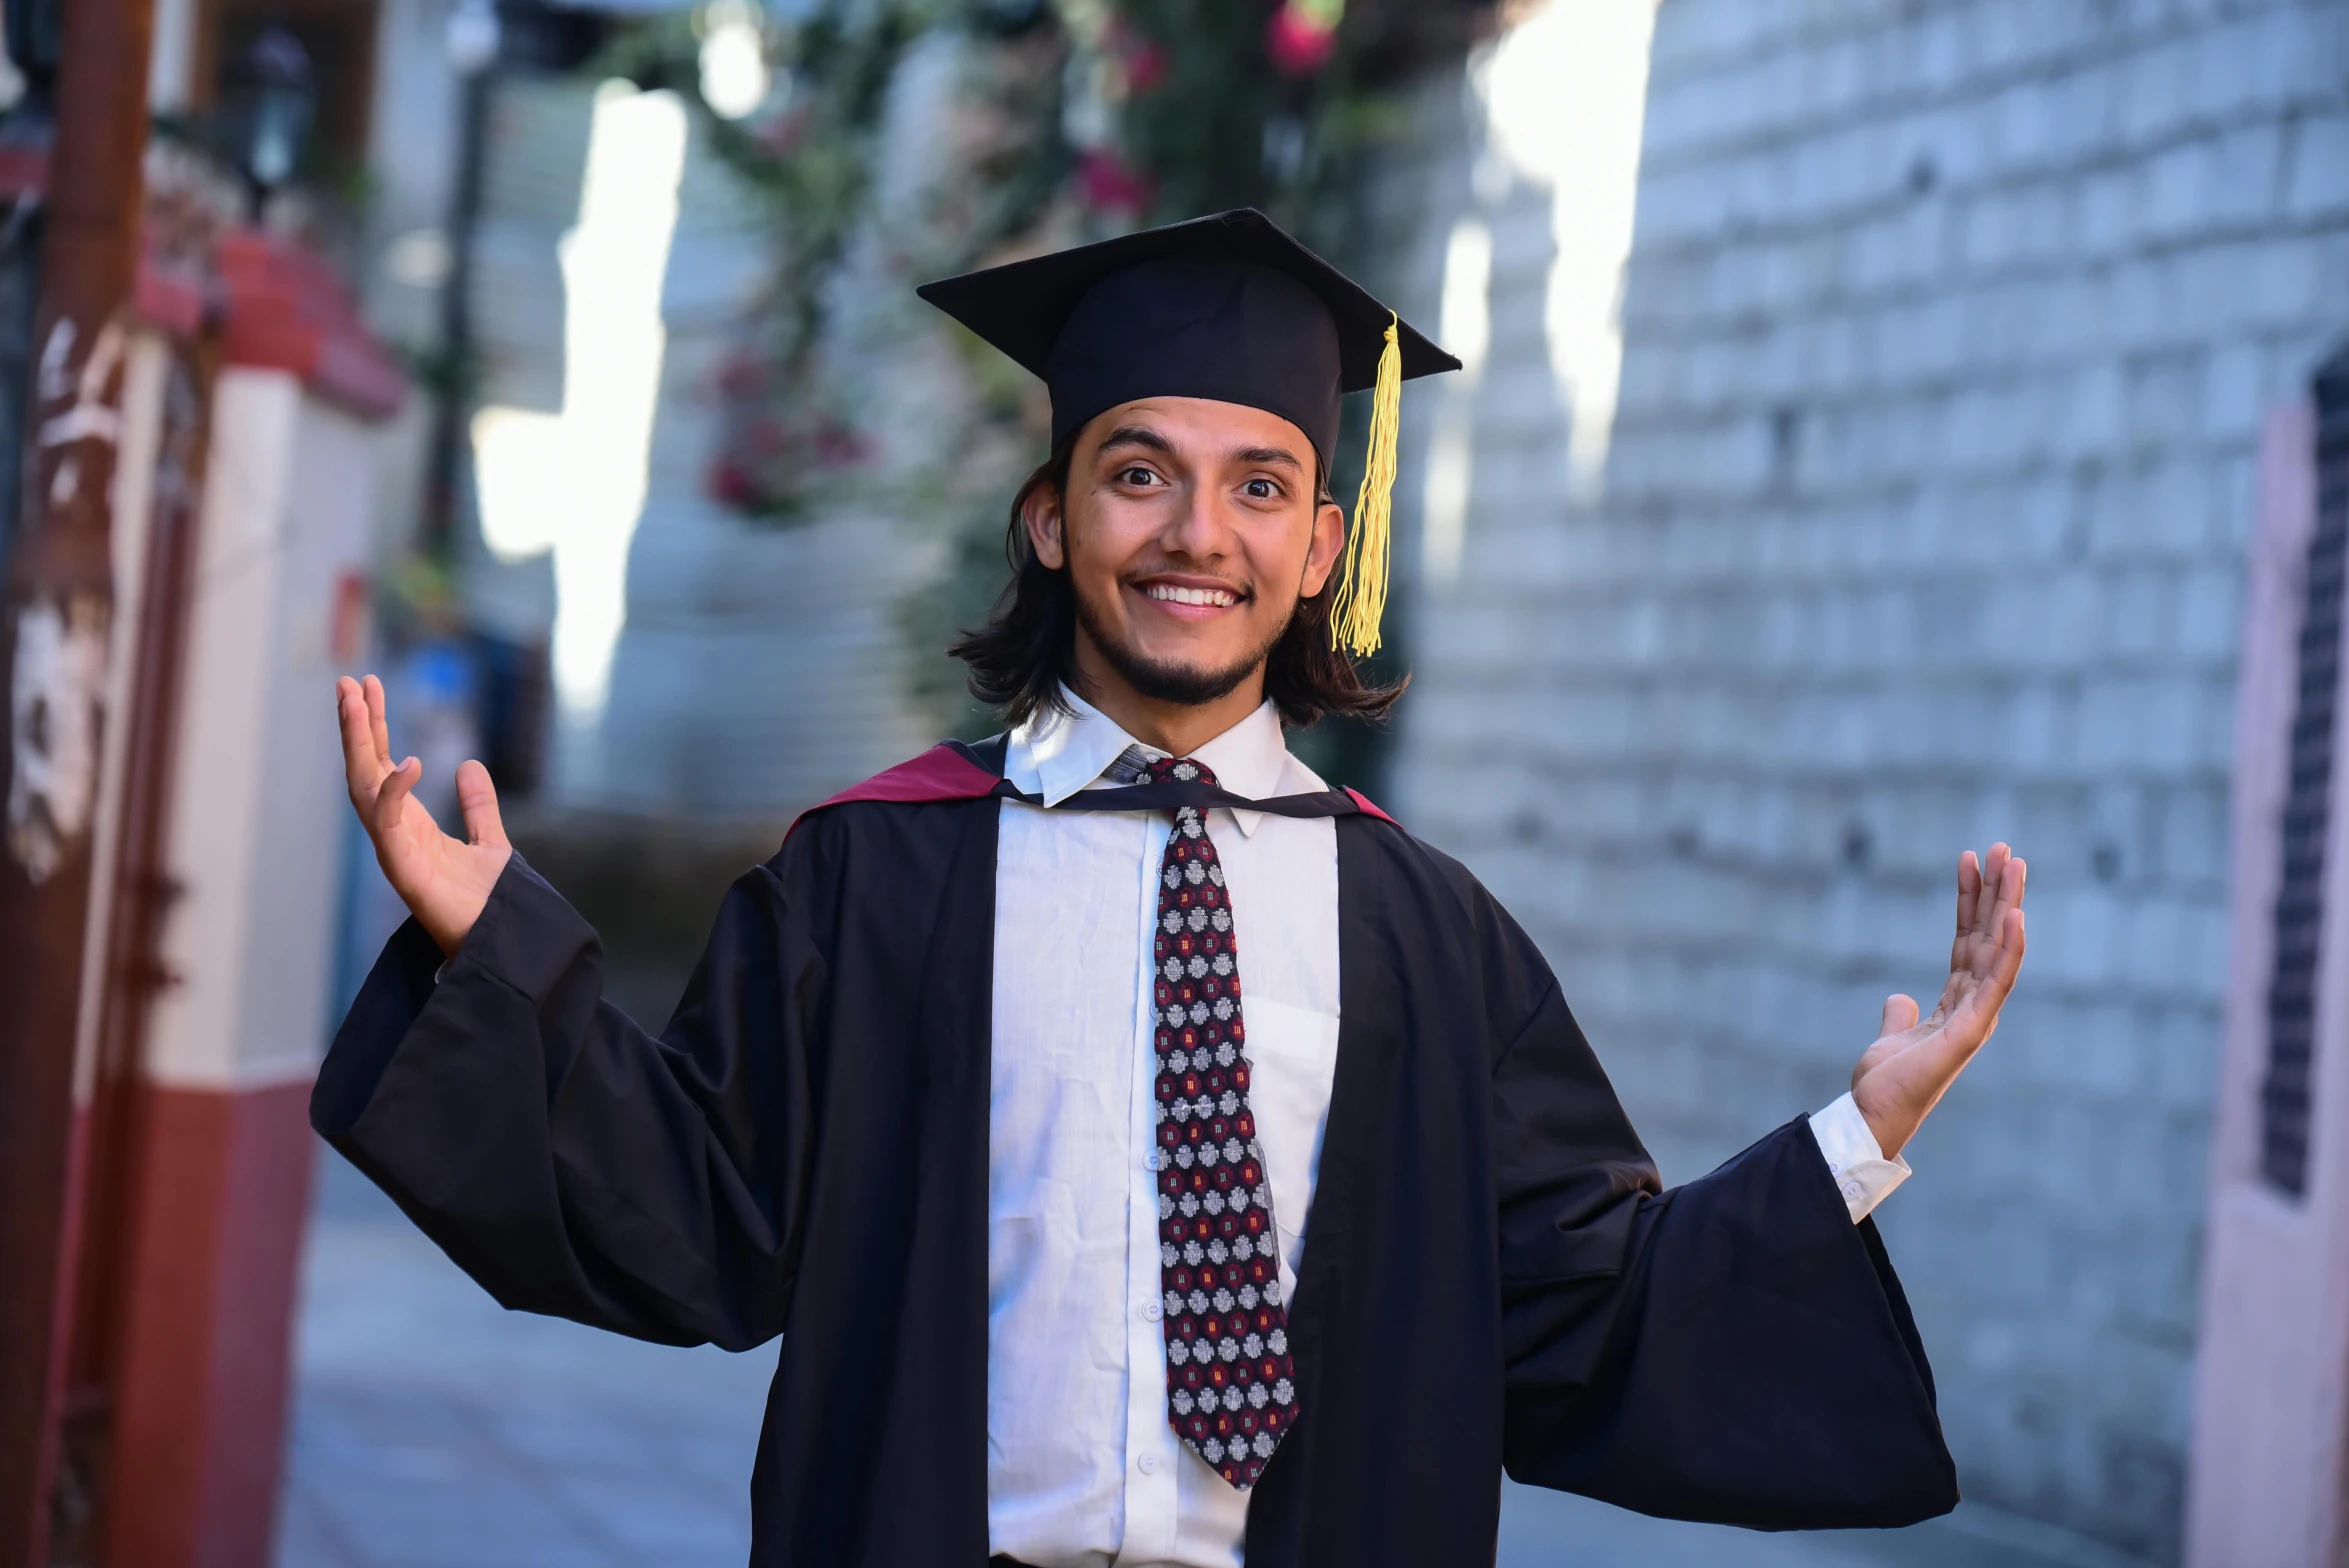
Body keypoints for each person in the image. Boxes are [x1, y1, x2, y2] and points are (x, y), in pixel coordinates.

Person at [317, 209, 2028, 1568]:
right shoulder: (879, 876)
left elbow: (1580, 1309)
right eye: (1139, 472)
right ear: (1054, 519)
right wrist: (497, 943)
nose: (1196, 533)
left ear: (1319, 552)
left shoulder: (1428, 939)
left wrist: (1851, 1140)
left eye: (1259, 486)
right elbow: (697, 1213)